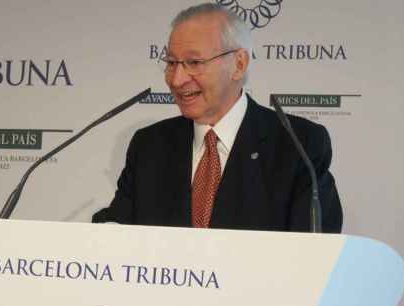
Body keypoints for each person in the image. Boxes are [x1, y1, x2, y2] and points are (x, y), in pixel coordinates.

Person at [93, 3, 342, 232]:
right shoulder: (149, 145)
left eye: (194, 62)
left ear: (239, 64)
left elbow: (316, 253)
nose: (177, 79)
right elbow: (118, 231)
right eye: (171, 62)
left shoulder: (298, 144)